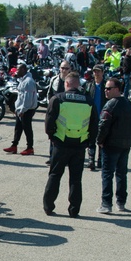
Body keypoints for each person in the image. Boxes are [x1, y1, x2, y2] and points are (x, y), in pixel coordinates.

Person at [43, 72, 99, 218]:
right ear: (78, 84)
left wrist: (52, 137)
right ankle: (74, 210)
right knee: (76, 179)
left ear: (66, 84)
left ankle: (48, 207)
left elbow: (49, 122)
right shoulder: (88, 101)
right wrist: (89, 142)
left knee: (54, 175)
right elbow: (94, 125)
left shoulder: (57, 99)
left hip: (60, 143)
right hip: (80, 145)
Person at [95, 77, 131, 214]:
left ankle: (106, 203)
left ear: (117, 89)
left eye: (109, 88)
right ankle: (121, 202)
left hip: (112, 144)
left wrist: (99, 141)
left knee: (107, 174)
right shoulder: (130, 105)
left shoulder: (111, 105)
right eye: (105, 88)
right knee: (121, 173)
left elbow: (103, 125)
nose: (106, 91)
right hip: (125, 144)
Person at [3, 63, 37, 156]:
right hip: (21, 109)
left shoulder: (28, 82)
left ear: (23, 70)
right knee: (18, 128)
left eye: (18, 70)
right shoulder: (23, 80)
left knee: (27, 128)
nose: (16, 71)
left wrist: (23, 110)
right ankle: (14, 146)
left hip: (27, 110)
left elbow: (28, 99)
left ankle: (30, 148)